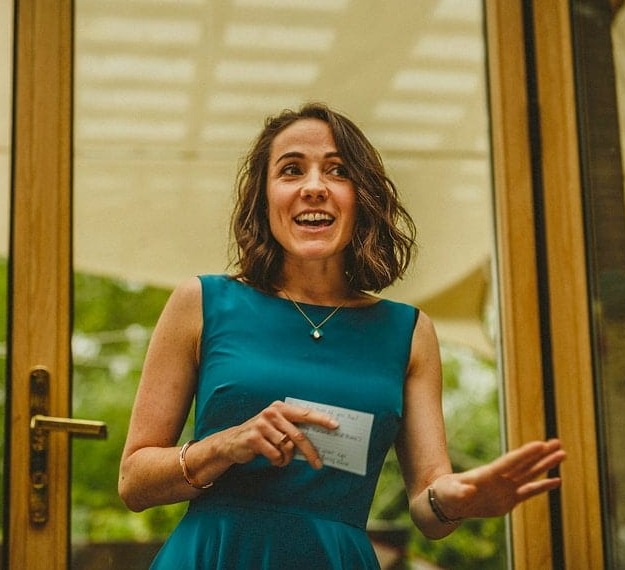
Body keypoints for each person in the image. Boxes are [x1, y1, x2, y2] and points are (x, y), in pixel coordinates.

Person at [118, 102, 566, 569]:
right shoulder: (202, 302)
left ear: (361, 198)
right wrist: (225, 445)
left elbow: (429, 508)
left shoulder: (409, 332)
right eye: (291, 170)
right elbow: (134, 482)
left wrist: (460, 497)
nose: (314, 187)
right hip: (215, 554)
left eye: (337, 171)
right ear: (264, 197)